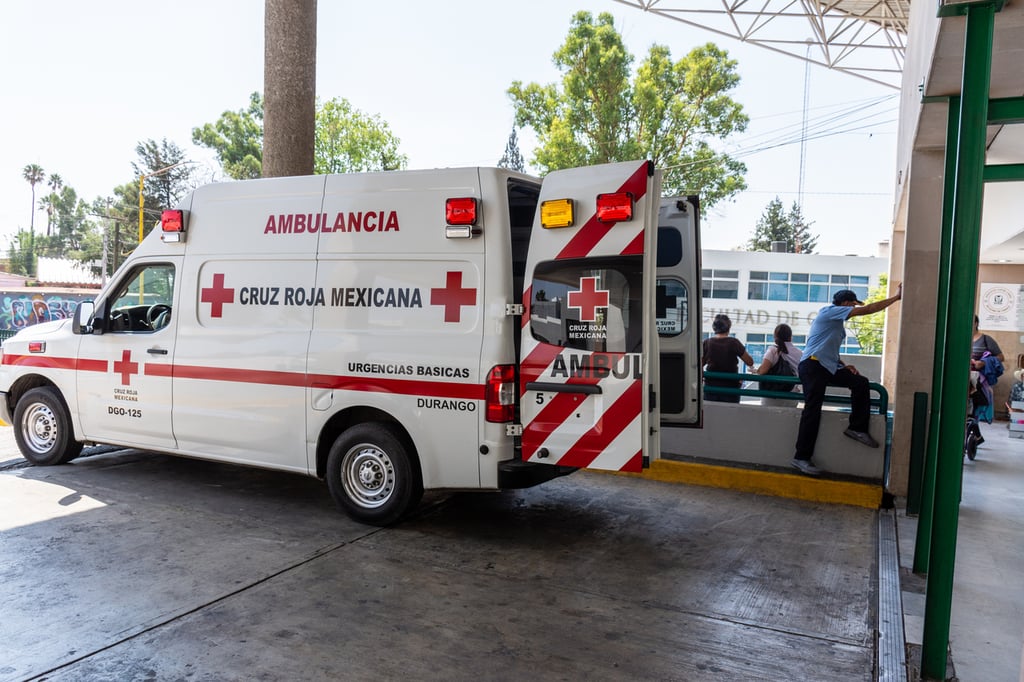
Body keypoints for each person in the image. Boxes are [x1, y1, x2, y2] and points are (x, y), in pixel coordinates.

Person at [791, 284, 903, 476]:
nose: (853, 309)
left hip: (827, 365)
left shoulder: (834, 322)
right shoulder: (830, 311)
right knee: (813, 409)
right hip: (812, 365)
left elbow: (826, 347)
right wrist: (896, 298)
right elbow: (868, 309)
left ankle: (857, 428)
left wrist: (842, 365)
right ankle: (801, 457)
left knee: (860, 383)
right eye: (852, 305)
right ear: (844, 303)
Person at [702, 314, 754, 403]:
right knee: (730, 415)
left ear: (714, 328)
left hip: (710, 387)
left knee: (710, 415)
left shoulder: (707, 342)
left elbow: (699, 364)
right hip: (731, 387)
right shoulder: (734, 343)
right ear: (728, 327)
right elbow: (750, 362)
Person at [754, 323, 802, 405]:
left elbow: (762, 371)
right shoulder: (800, 353)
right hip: (792, 396)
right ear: (791, 337)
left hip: (772, 396)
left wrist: (757, 370)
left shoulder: (773, 350)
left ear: (775, 336)